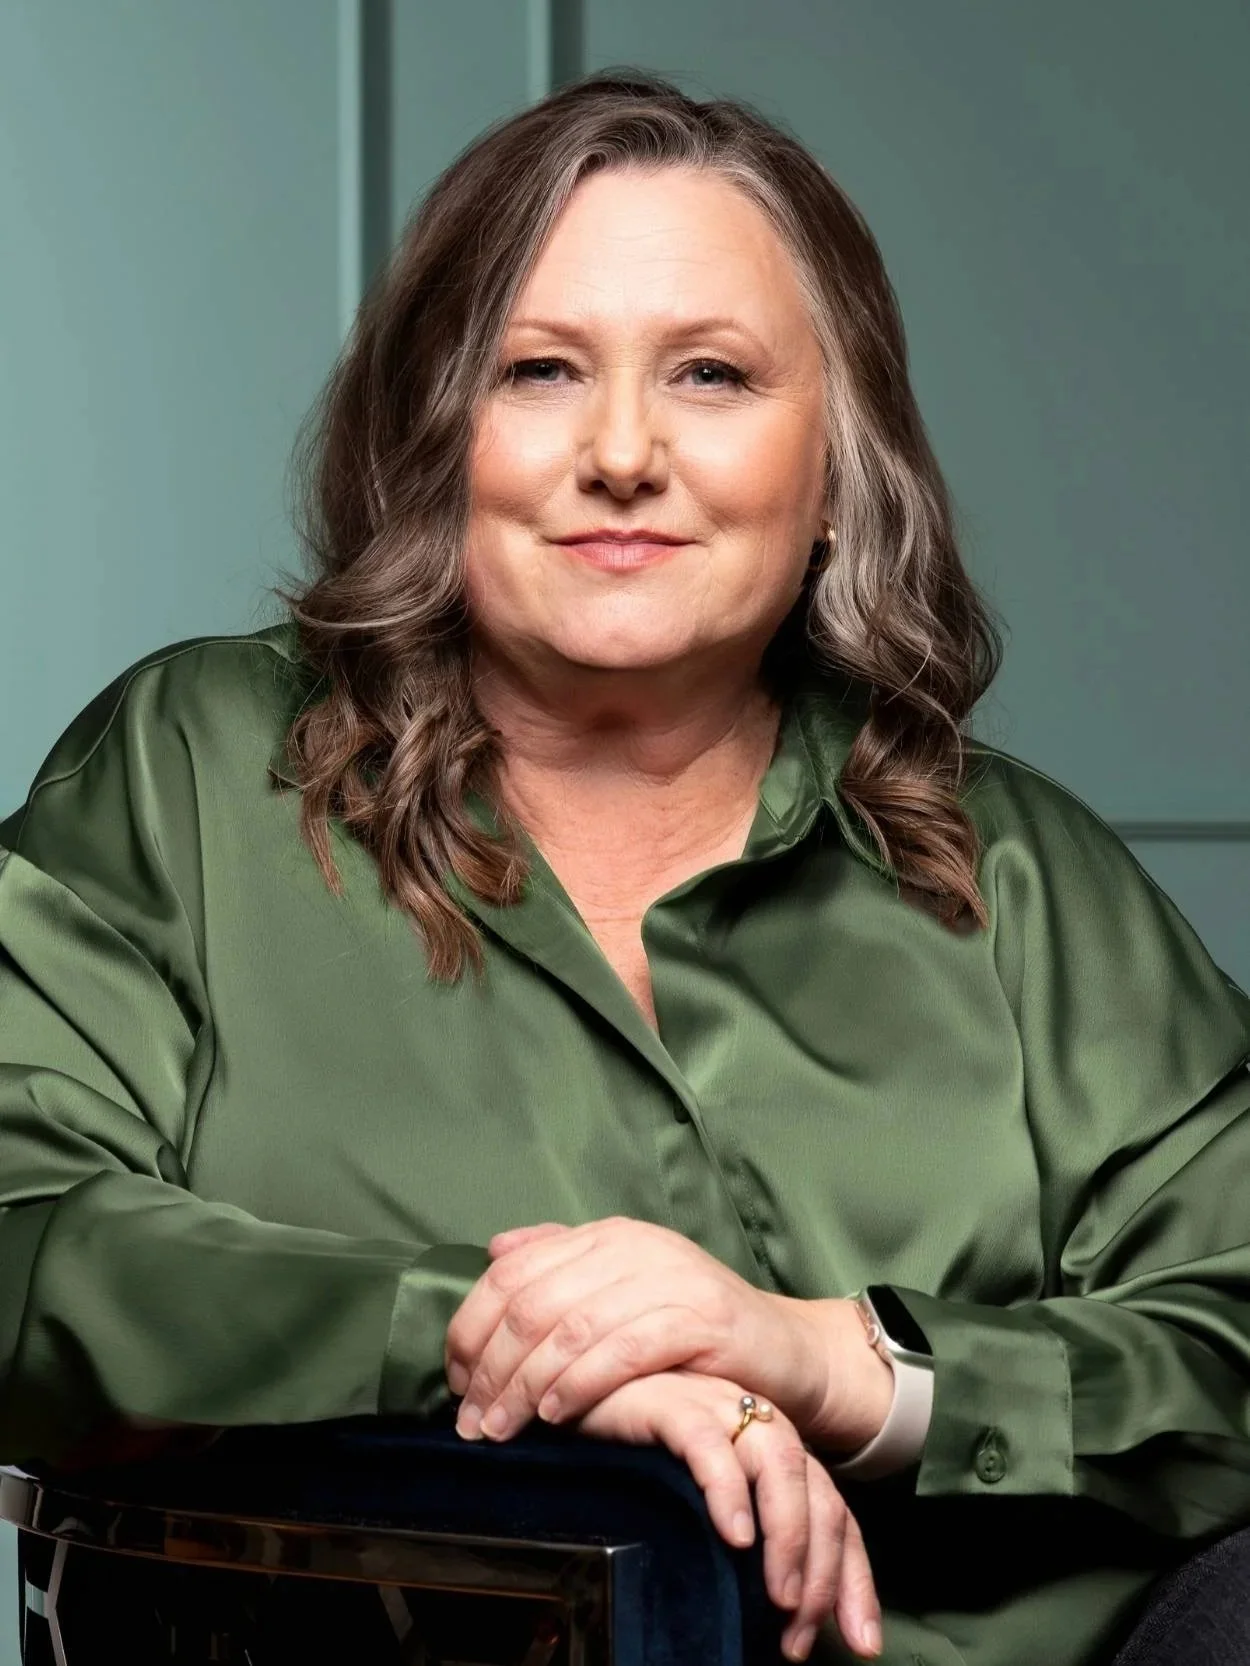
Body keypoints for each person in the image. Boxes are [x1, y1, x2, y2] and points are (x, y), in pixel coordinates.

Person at [1, 68, 1248, 1666]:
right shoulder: (189, 772)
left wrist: (833, 1364)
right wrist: (504, 1346)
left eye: (713, 374)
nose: (620, 453)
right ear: (431, 430)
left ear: (835, 465)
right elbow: (24, 1222)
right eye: (537, 370)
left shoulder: (1017, 870)